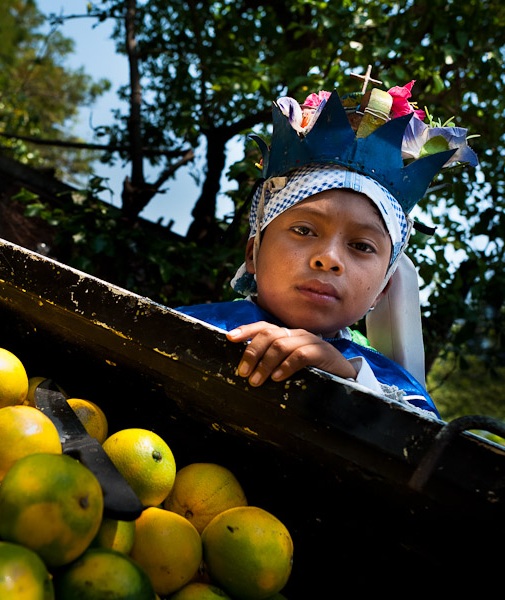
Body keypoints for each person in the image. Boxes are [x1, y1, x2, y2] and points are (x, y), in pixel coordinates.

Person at [177, 79, 477, 419]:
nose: (329, 259)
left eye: (362, 246)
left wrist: (351, 382)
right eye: (304, 230)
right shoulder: (184, 327)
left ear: (383, 289)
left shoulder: (391, 389)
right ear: (252, 255)